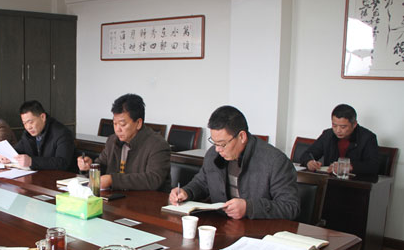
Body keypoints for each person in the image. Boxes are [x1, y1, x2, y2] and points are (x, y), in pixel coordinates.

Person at [169, 105, 299, 220]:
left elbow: (290, 207)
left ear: (242, 136)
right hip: (222, 225)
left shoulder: (275, 161)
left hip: (258, 230)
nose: (217, 149)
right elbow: (202, 183)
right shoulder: (213, 155)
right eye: (214, 142)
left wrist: (249, 208)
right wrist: (186, 192)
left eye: (222, 144)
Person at [77, 94, 171, 192]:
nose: (117, 129)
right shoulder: (112, 140)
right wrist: (90, 167)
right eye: (115, 123)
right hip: (116, 197)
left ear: (138, 123)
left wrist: (112, 180)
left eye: (122, 124)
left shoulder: (157, 144)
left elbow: (153, 179)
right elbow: (102, 166)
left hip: (147, 199)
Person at [300, 104, 379, 175]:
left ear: (354, 124)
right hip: (329, 180)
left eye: (343, 127)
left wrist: (349, 167)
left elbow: (373, 166)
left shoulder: (368, 138)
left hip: (356, 183)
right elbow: (307, 154)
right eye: (334, 125)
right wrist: (309, 162)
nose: (338, 130)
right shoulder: (328, 135)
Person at [0, 100, 74, 170]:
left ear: (43, 117)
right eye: (24, 123)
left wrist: (32, 161)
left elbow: (62, 162)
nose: (28, 127)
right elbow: (18, 150)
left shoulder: (62, 133)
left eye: (30, 122)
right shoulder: (27, 134)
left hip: (59, 177)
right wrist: (8, 156)